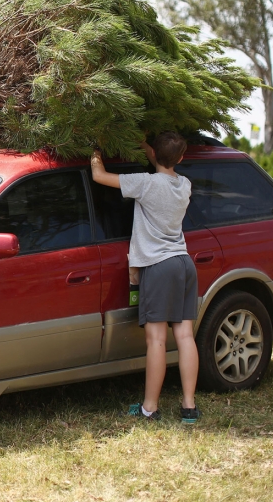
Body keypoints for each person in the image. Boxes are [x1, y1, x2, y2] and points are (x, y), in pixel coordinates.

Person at [90, 132, 200, 423]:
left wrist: (95, 148)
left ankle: (149, 408)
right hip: (184, 263)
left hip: (159, 266)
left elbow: (99, 176)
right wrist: (144, 144)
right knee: (185, 336)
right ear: (180, 158)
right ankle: (189, 406)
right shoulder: (184, 185)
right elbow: (161, 159)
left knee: (156, 341)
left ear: (153, 155)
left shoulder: (146, 183)